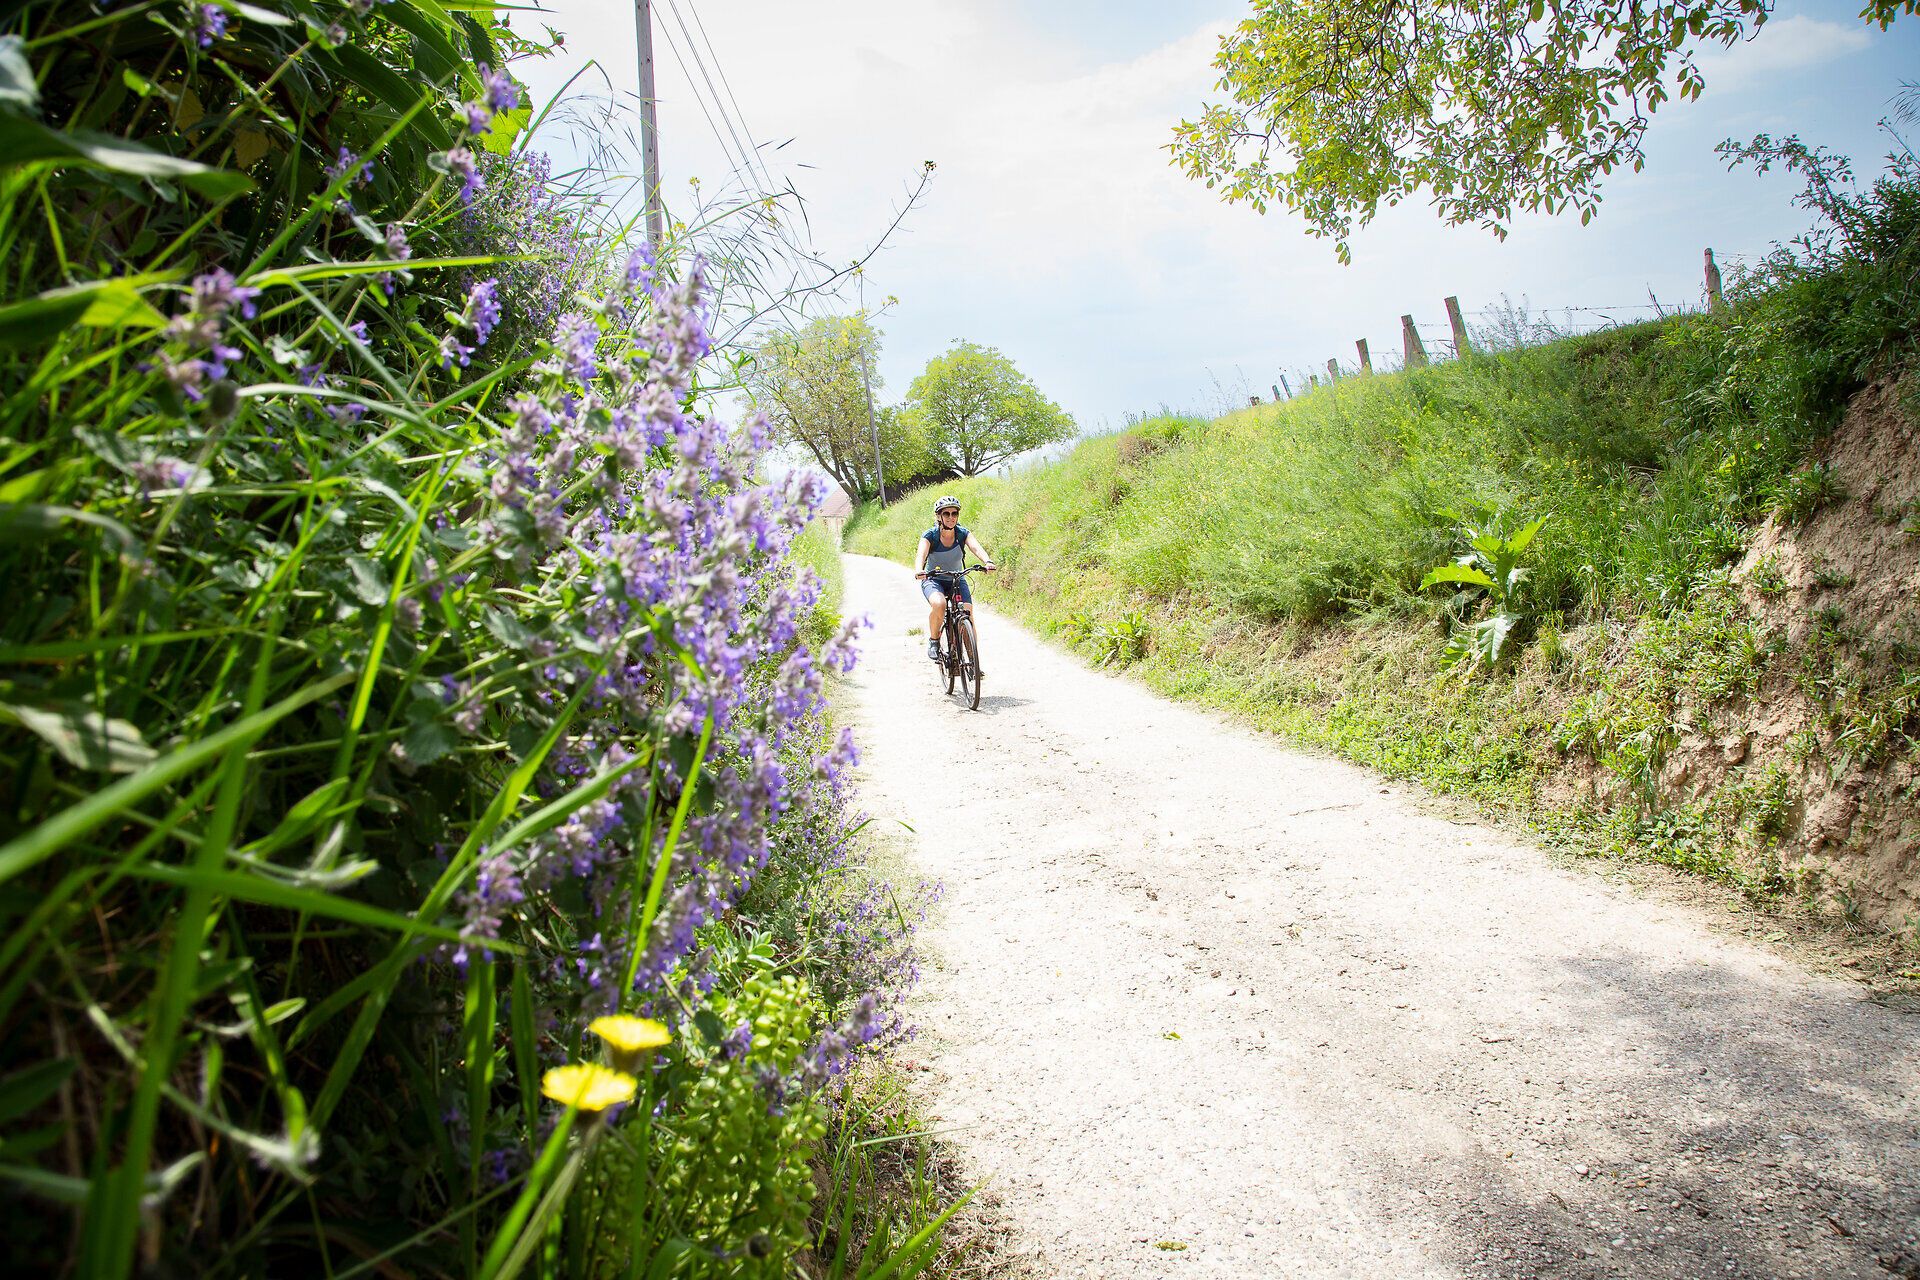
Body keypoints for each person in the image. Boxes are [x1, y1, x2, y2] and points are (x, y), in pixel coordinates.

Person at [913, 495, 996, 668]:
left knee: (967, 613)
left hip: (957, 579)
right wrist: (919, 569)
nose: (951, 517)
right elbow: (921, 554)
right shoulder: (931, 535)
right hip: (933, 580)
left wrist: (987, 561)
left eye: (954, 513)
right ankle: (934, 640)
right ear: (939, 516)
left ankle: (973, 661)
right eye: (947, 514)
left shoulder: (962, 533)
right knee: (939, 604)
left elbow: (975, 547)